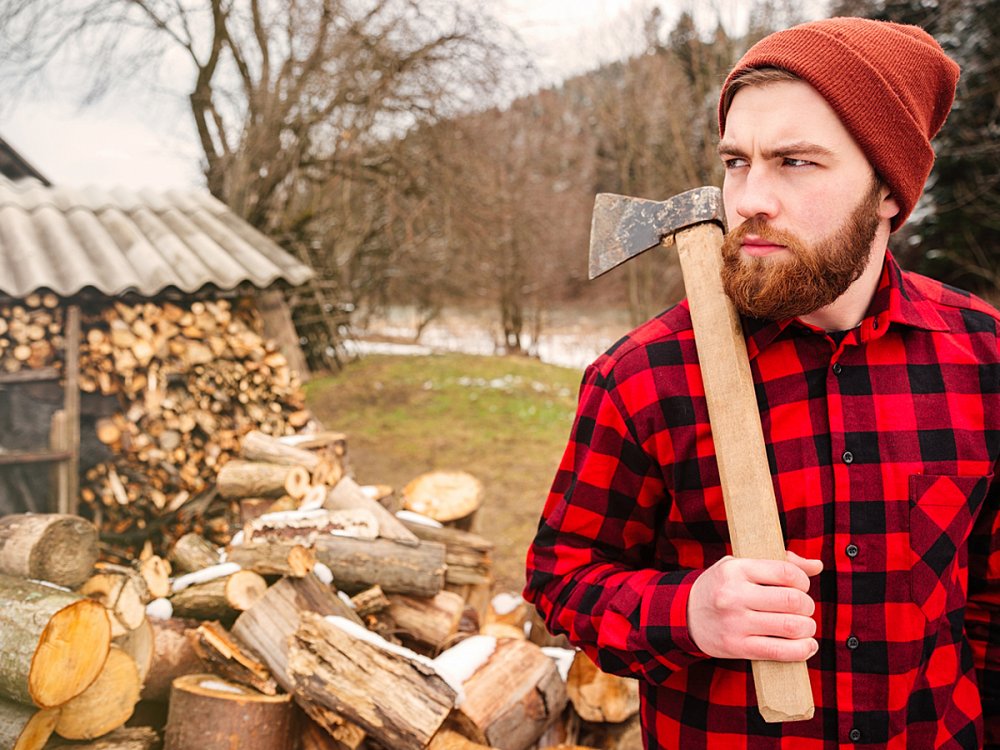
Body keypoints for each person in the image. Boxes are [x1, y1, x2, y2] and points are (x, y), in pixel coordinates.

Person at [523, 16, 998, 749]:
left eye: (795, 162)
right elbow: (561, 578)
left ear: (889, 194)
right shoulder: (644, 375)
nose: (748, 199)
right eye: (736, 161)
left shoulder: (983, 361)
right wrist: (688, 613)